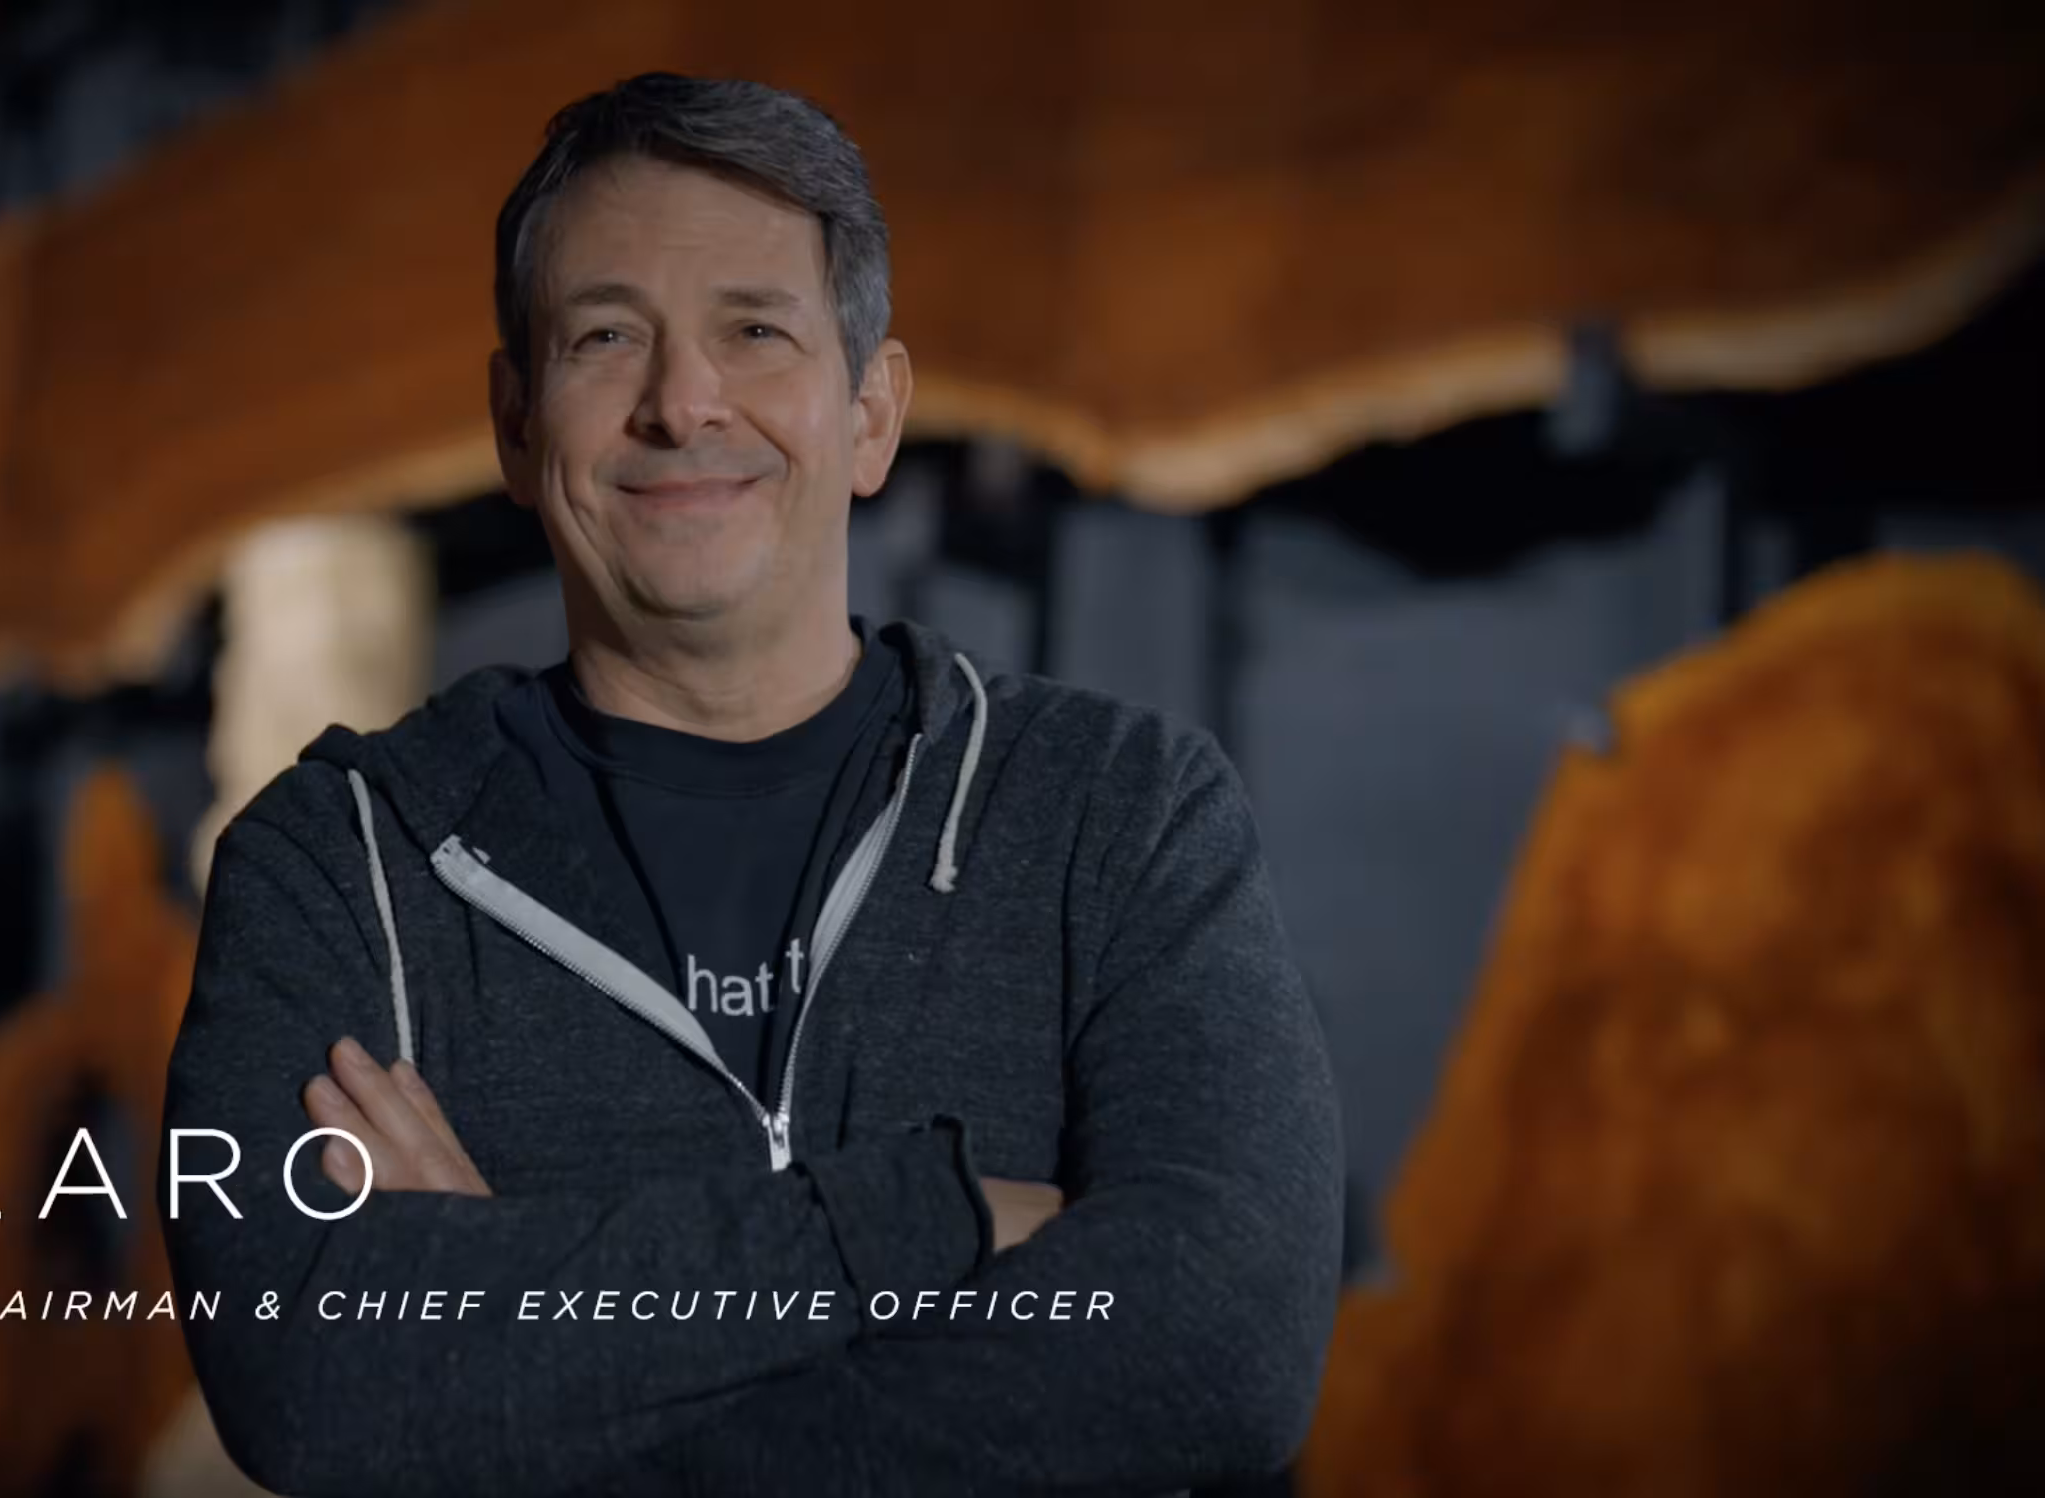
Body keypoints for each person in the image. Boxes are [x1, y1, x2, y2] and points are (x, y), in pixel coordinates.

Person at [164, 72, 1343, 1498]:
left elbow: (1217, 1351)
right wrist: (925, 1220)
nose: (683, 402)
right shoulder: (339, 863)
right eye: (606, 337)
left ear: (871, 413)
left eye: (757, 330)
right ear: (514, 422)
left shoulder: (1122, 811)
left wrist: (525, 1376)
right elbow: (314, 1381)